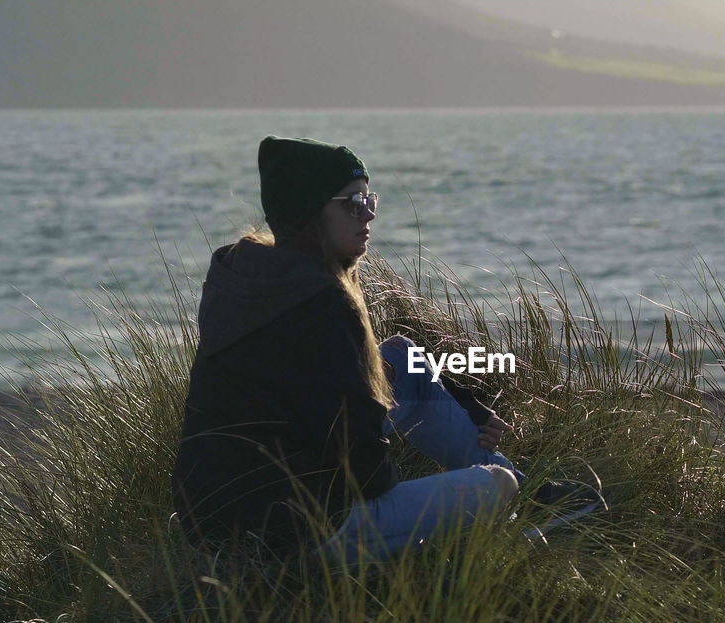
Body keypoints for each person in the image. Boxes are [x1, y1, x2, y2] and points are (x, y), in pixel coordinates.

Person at [170, 136, 601, 569]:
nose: (370, 212)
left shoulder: (244, 276)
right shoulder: (323, 303)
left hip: (208, 524)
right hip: (296, 535)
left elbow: (332, 397)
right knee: (494, 485)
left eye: (369, 198)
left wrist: (465, 406)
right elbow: (368, 474)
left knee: (400, 355)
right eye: (353, 202)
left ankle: (527, 493)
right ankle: (492, 531)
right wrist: (409, 463)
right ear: (310, 212)